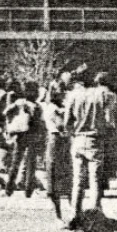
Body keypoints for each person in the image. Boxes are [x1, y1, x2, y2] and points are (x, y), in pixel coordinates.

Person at [65, 74, 106, 213]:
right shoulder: (99, 95)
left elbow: (67, 122)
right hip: (95, 139)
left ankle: (74, 214)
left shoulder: (73, 95)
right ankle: (94, 214)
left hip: (78, 138)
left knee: (78, 180)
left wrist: (72, 133)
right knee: (95, 180)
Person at [3, 81, 41, 198]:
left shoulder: (19, 102)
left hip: (21, 134)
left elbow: (6, 112)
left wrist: (11, 121)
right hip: (33, 134)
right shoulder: (37, 106)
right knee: (31, 163)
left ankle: (9, 188)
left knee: (16, 161)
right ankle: (28, 190)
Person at [41, 82, 70, 220]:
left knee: (65, 176)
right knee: (54, 175)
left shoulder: (59, 107)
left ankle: (70, 212)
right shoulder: (52, 108)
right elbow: (60, 125)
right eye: (61, 91)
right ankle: (58, 215)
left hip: (62, 140)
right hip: (56, 140)